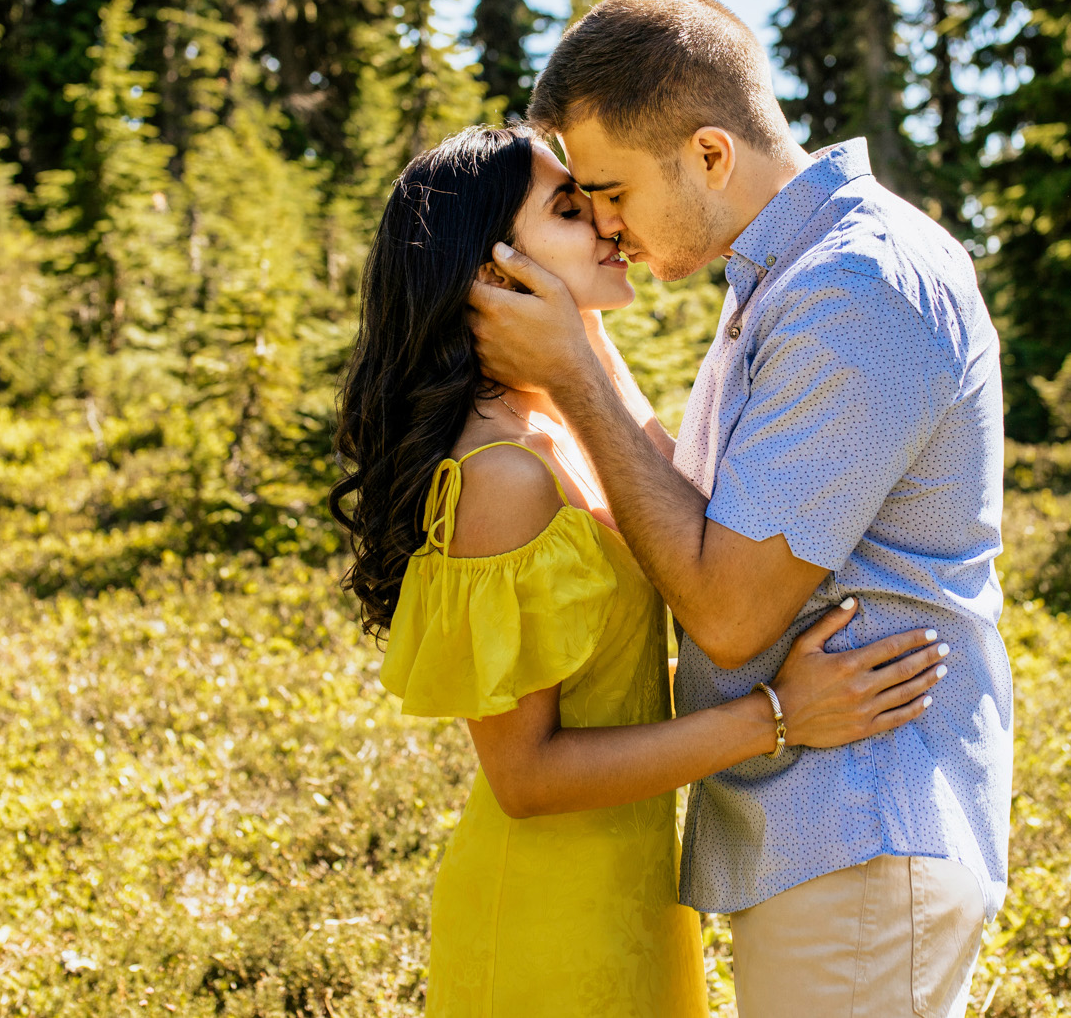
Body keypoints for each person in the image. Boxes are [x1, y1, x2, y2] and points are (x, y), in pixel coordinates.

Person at [468, 0, 1012, 1018]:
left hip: (858, 821)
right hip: (828, 830)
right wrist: (578, 347)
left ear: (710, 154)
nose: (609, 227)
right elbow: (708, 516)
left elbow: (725, 607)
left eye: (614, 191)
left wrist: (578, 380)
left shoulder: (855, 289)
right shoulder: (794, 275)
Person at [329, 124, 953, 1018]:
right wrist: (777, 717)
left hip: (634, 894)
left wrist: (578, 353)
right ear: (494, 267)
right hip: (549, 919)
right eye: (570, 209)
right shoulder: (501, 475)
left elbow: (607, 673)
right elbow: (527, 774)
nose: (610, 227)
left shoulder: (556, 435)